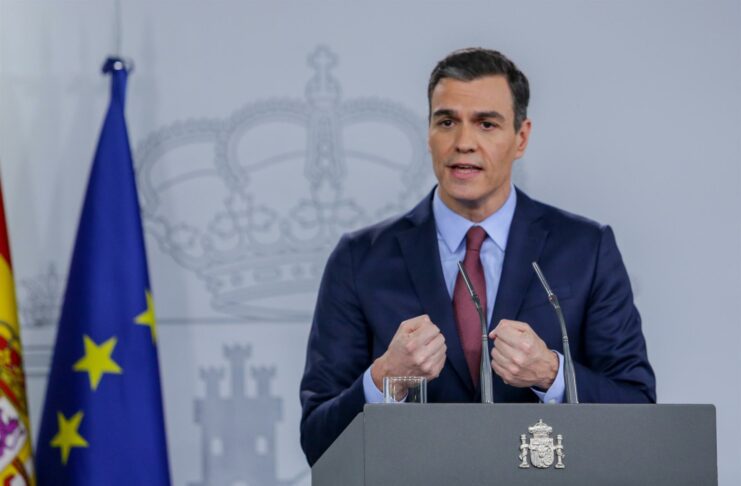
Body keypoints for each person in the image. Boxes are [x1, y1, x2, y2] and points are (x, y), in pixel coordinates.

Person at [299, 48, 656, 466]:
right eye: (447, 122)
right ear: (428, 133)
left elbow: (639, 413)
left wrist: (551, 373)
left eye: (486, 124)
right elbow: (318, 441)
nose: (463, 143)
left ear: (521, 137)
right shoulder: (360, 260)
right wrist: (384, 380)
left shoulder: (586, 249)